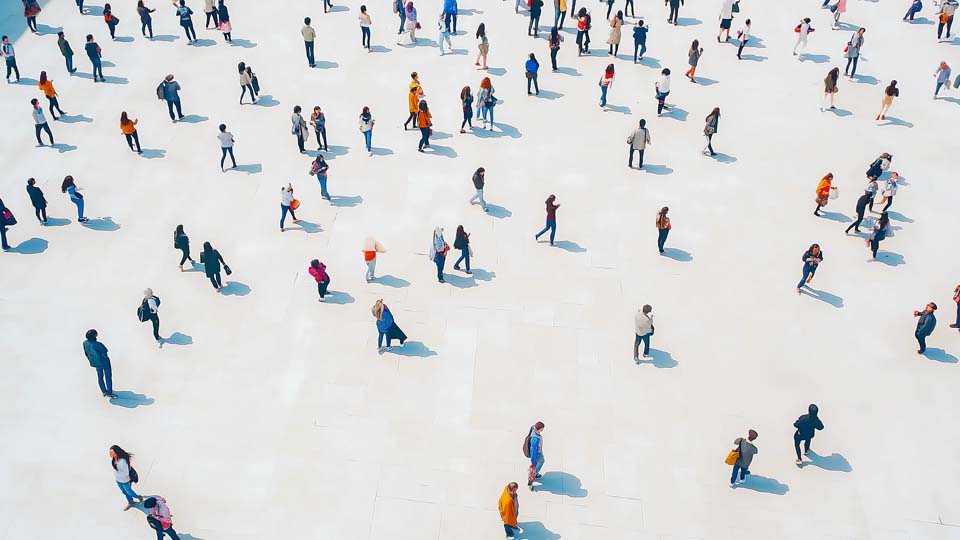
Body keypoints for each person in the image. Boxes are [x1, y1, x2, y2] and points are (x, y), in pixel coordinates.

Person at [83, 329, 117, 398]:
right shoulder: (98, 344)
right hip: (104, 363)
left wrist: (91, 360)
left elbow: (86, 353)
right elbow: (104, 354)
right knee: (108, 377)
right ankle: (109, 392)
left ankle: (104, 391)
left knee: (100, 377)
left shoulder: (85, 343)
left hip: (96, 363)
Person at [109, 446, 143, 510]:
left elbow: (126, 472)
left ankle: (139, 497)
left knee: (129, 492)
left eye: (111, 452)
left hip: (125, 481)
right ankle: (131, 502)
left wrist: (119, 474)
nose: (110, 454)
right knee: (124, 492)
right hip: (118, 480)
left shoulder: (122, 461)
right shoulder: (114, 459)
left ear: (116, 453)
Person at [527, 422, 545, 490]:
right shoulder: (535, 439)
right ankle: (533, 475)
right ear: (538, 429)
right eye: (542, 429)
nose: (542, 430)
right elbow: (533, 451)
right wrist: (533, 461)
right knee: (541, 461)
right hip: (537, 453)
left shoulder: (533, 427)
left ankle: (534, 473)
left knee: (540, 462)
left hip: (538, 450)